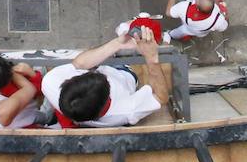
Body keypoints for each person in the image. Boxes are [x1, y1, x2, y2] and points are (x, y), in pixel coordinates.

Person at [40, 28, 169, 127]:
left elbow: (79, 64)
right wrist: (152, 58)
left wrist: (117, 44)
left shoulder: (49, 83)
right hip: (125, 75)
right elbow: (161, 96)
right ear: (107, 99)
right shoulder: (127, 112)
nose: (96, 70)